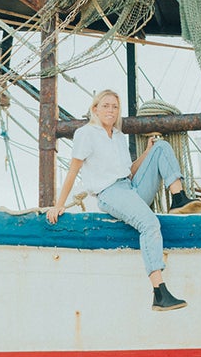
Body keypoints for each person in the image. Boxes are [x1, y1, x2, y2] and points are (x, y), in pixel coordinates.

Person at [47, 89, 192, 311]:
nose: (110, 110)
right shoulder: (86, 134)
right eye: (105, 106)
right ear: (95, 109)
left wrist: (148, 153)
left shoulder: (117, 136)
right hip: (110, 193)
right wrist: (58, 205)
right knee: (150, 223)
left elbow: (130, 171)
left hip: (130, 187)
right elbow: (73, 171)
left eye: (114, 107)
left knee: (161, 146)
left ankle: (179, 198)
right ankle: (159, 292)